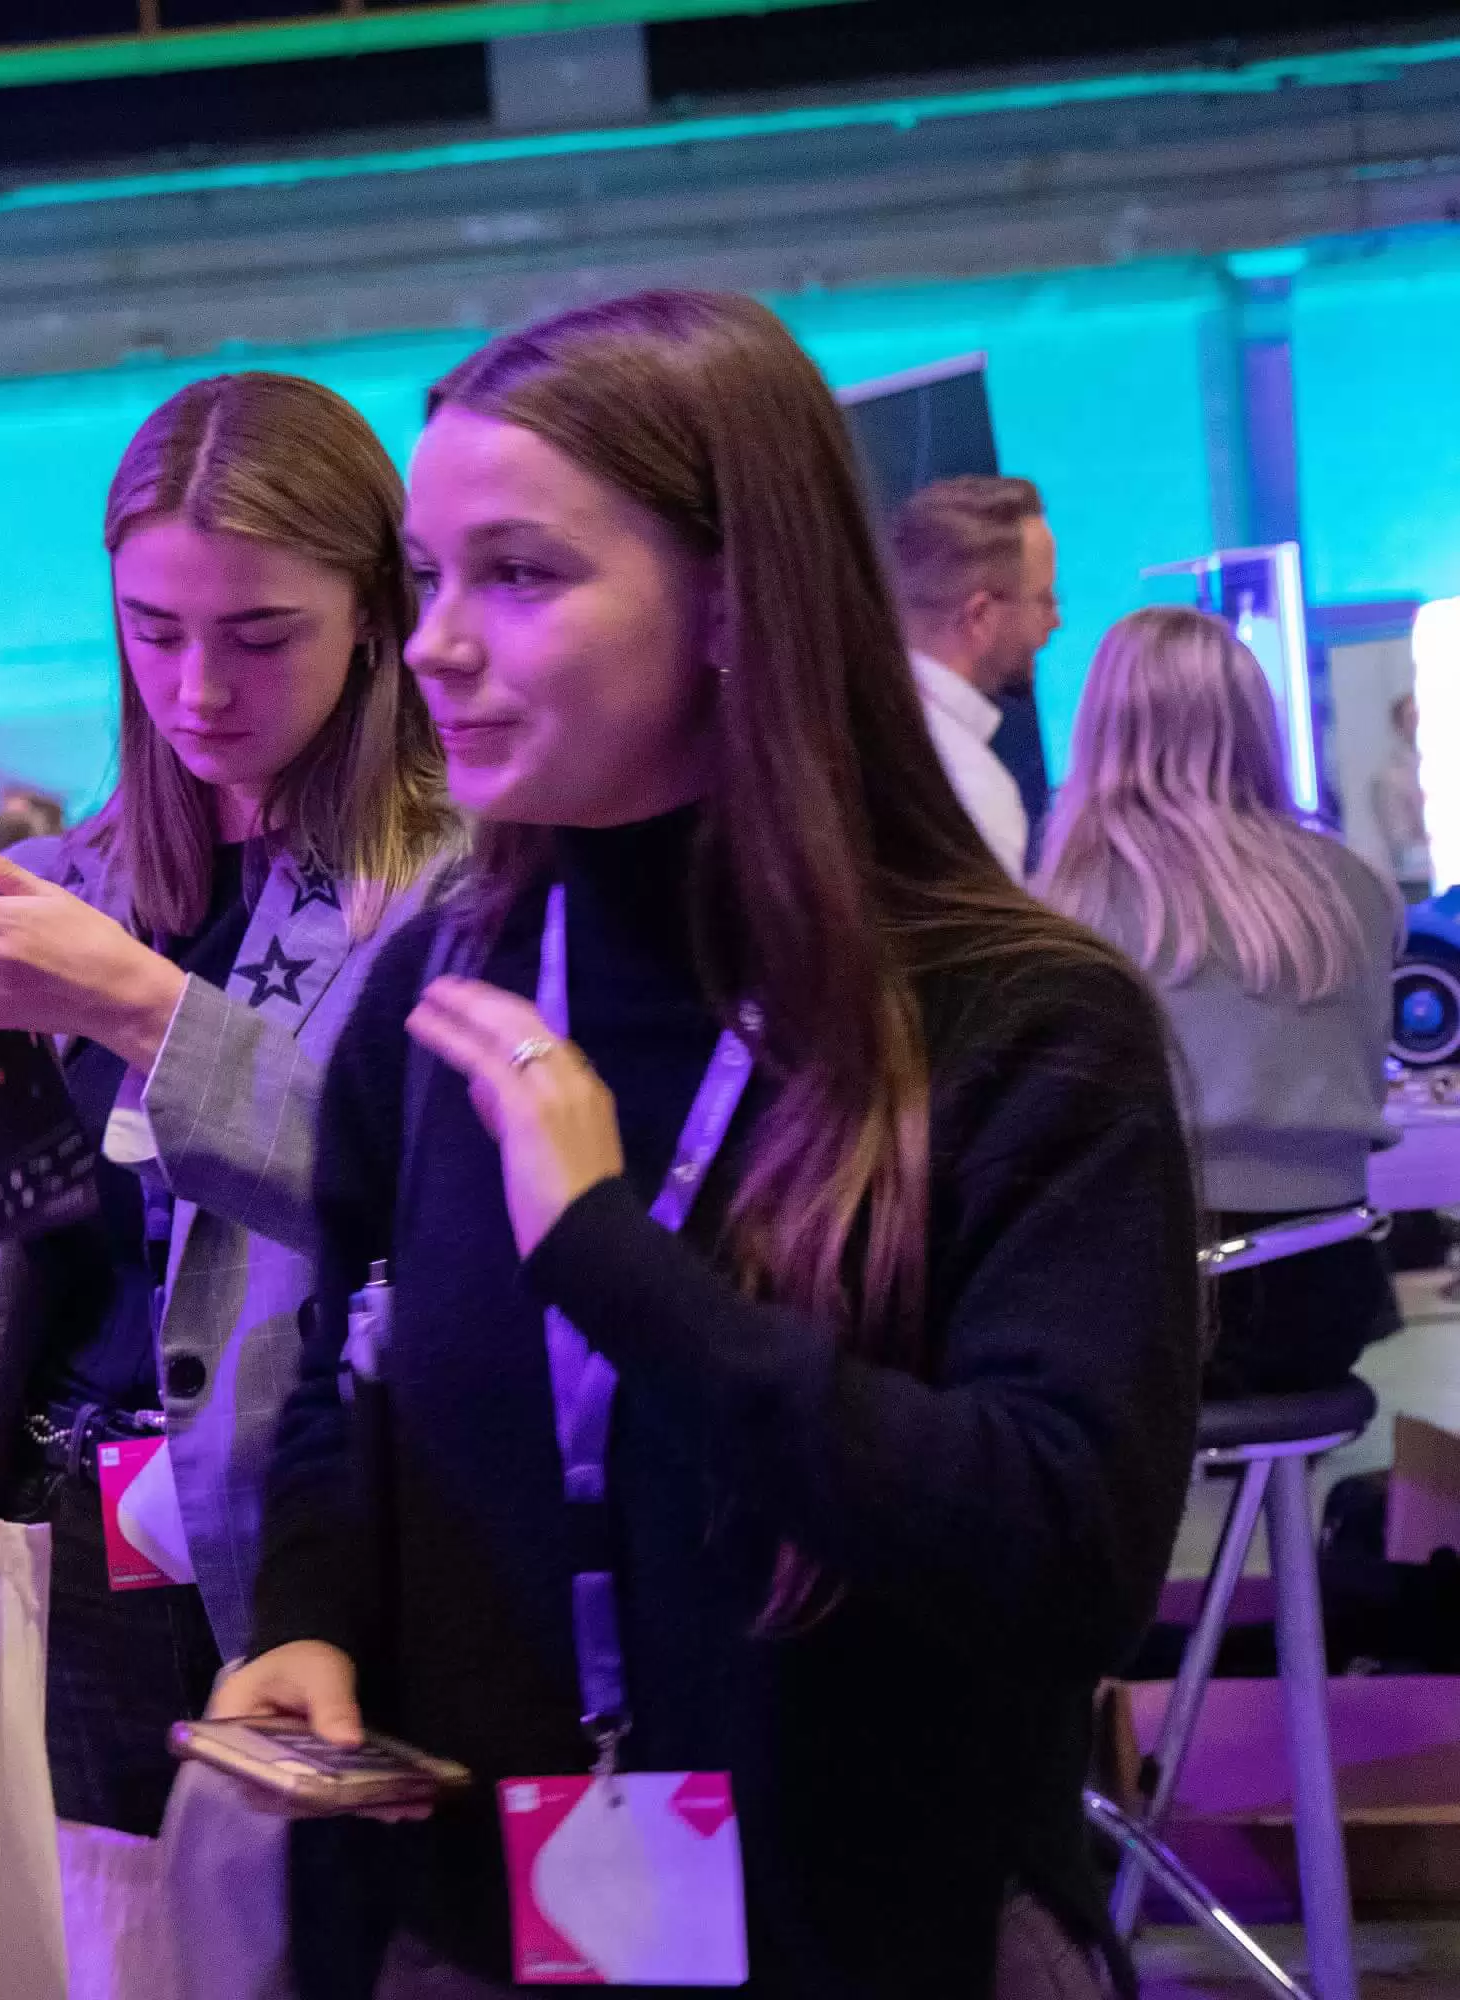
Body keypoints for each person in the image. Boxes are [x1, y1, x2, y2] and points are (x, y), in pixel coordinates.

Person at [215, 293, 1198, 1998]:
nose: (438, 643)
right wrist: (309, 1611)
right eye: (429, 578)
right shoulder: (441, 989)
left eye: (518, 576)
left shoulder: (1014, 1019)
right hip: (481, 1923)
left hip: (886, 1927)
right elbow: (340, 1369)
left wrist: (610, 1253)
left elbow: (1059, 1558)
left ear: (740, 601)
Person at [0, 370, 463, 1840]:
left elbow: (421, 1197)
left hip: (308, 1559)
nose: (200, 688)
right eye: (154, 633)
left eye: (262, 636)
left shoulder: (457, 889)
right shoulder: (72, 885)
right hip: (45, 1550)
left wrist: (138, 1009)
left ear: (378, 614)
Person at [1039, 606, 1404, 1397]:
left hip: (1162, 1304)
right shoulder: (1358, 888)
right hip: (1331, 1289)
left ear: (1104, 726)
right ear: (1255, 723)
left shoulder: (1070, 904)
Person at [893, 474, 1061, 878]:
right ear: (980, 617)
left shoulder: (838, 734)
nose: (1056, 621)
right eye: (1043, 600)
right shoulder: (972, 789)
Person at [1372, 690, 1432, 903]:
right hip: (1419, 886)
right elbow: (1401, 847)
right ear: (1398, 726)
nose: (1419, 723)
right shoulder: (1391, 779)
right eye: (1411, 717)